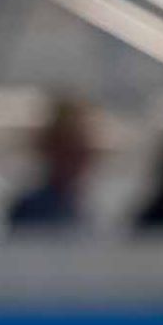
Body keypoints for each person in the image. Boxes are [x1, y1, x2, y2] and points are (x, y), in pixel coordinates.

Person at [8, 94, 97, 232]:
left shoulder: (86, 208)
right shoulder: (30, 209)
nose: (75, 160)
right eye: (68, 151)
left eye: (79, 151)